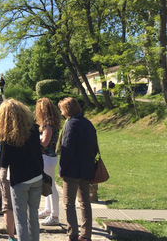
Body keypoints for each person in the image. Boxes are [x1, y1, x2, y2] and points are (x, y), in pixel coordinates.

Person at [0, 99, 43, 241]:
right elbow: (39, 153)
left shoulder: (7, 134)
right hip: (37, 176)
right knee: (33, 216)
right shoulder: (33, 128)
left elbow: (4, 161)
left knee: (20, 218)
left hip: (20, 179)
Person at [58, 97, 98, 241]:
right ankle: (86, 235)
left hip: (72, 170)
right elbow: (94, 146)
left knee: (68, 203)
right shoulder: (88, 123)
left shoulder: (71, 124)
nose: (61, 113)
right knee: (85, 202)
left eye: (62, 110)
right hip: (86, 168)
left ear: (67, 110)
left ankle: (72, 234)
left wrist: (62, 169)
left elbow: (67, 149)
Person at [35, 98, 62, 226]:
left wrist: (34, 141)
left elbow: (44, 142)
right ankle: (48, 210)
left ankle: (54, 215)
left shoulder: (47, 124)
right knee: (48, 184)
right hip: (51, 157)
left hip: (47, 157)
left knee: (51, 187)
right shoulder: (54, 122)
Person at [0, 136, 16, 241]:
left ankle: (11, 237)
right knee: (23, 204)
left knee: (7, 205)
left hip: (6, 168)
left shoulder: (0, 130)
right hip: (23, 169)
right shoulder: (27, 127)